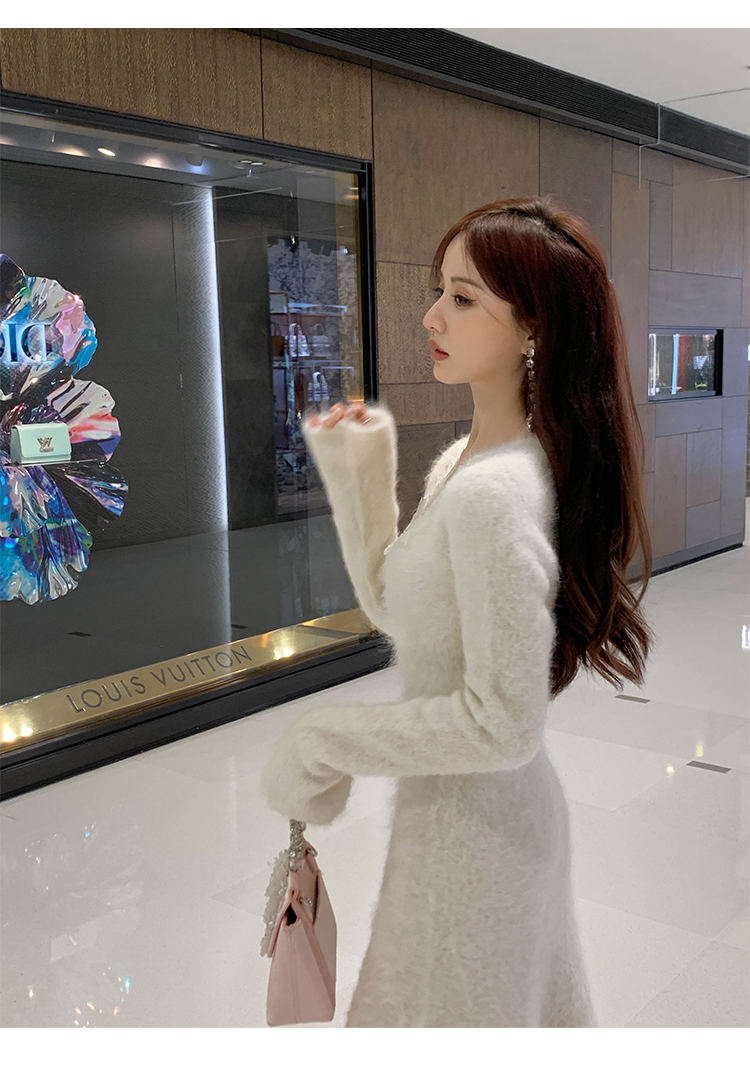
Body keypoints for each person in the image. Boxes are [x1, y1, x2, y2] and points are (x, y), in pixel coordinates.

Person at [261, 195, 655, 1027]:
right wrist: (362, 473)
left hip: (476, 846)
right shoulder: (468, 462)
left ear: (533, 328)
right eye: (440, 290)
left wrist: (321, 738)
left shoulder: (494, 494)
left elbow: (503, 724)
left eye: (464, 297)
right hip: (464, 820)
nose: (432, 316)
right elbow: (403, 608)